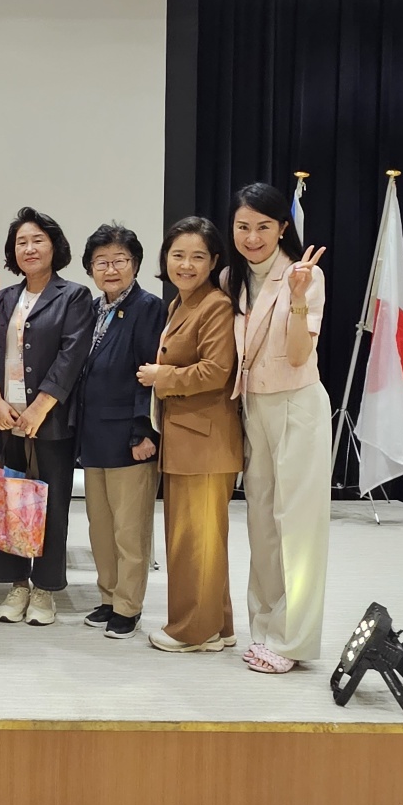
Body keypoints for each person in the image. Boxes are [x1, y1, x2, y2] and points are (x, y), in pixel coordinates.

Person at [221, 182, 331, 674]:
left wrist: (299, 298)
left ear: (283, 228)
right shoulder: (232, 278)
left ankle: (293, 640)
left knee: (298, 524)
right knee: (261, 522)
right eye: (243, 226)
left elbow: (298, 355)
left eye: (263, 226)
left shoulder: (304, 274)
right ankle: (265, 627)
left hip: (297, 405)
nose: (252, 237)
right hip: (254, 409)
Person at [0, 208, 92, 627]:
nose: (29, 248)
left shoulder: (74, 296)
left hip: (50, 421)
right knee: (6, 501)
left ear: (54, 246)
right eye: (21, 242)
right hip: (4, 419)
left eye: (37, 240)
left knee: (51, 504)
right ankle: (16, 584)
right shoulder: (4, 298)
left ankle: (44, 588)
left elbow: (71, 355)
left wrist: (40, 408)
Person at [138, 216, 242, 654]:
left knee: (194, 541)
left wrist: (163, 377)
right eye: (178, 255)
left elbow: (217, 371)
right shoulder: (179, 305)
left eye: (197, 256)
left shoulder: (215, 304)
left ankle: (193, 631)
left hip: (205, 441)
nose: (186, 264)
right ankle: (219, 625)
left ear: (214, 261)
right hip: (186, 438)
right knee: (202, 539)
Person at [70, 223, 167, 640]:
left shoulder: (149, 308)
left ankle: (128, 606)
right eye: (101, 262)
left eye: (119, 260)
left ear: (136, 264)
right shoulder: (92, 309)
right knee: (101, 528)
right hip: (93, 436)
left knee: (130, 529)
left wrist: (145, 431)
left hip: (130, 438)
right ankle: (108, 597)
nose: (110, 269)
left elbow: (150, 375)